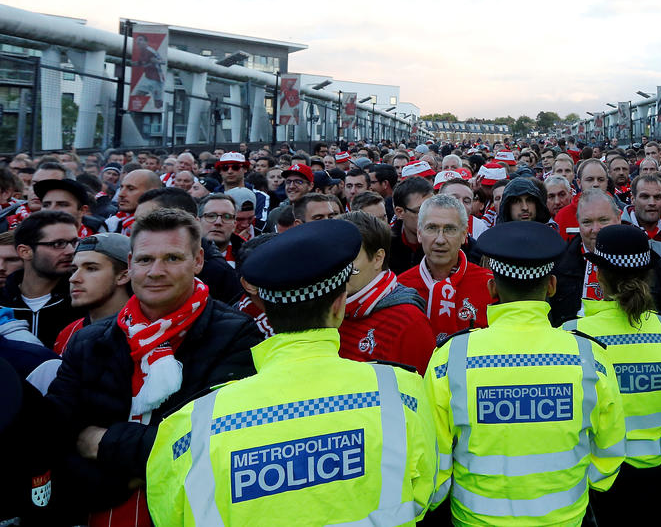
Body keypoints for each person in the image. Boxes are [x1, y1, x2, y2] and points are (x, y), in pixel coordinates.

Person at [147, 218, 436, 525]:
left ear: (266, 310)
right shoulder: (402, 393)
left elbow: (168, 514)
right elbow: (426, 491)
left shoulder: (190, 426)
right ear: (339, 306)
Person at [44, 209, 262, 525]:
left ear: (198, 261)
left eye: (172, 258)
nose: (156, 271)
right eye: (145, 260)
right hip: (96, 508)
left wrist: (104, 443)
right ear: (130, 264)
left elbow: (213, 443)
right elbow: (55, 432)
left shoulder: (237, 334)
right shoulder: (88, 341)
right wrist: (112, 480)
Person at [424, 221, 626, 525]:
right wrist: (577, 487)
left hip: (476, 520)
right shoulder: (588, 356)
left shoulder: (450, 359)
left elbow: (433, 458)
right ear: (552, 286)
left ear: (492, 288)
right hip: (565, 518)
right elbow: (610, 448)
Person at [562, 224, 661, 523]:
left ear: (598, 275)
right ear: (648, 274)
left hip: (599, 476)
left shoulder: (572, 336)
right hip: (659, 475)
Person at [338, 211, 436, 374]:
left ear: (378, 258)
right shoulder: (328, 311)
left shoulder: (409, 322)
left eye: (350, 257)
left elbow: (423, 391)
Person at [397, 195, 491, 343]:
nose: (440, 239)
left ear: (464, 234)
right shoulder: (400, 287)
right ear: (419, 233)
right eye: (432, 228)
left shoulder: (489, 285)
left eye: (450, 229)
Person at [1, 210, 77, 348]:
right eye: (58, 244)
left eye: (74, 242)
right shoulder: (2, 303)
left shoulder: (81, 302)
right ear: (25, 252)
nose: (71, 251)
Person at [53, 233, 131, 355]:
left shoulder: (145, 331)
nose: (73, 278)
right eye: (74, 270)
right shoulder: (68, 333)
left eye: (91, 268)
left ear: (123, 276)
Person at [389, 177, 433, 275]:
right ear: (399, 212)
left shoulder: (446, 243)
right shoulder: (385, 247)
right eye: (421, 211)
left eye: (433, 208)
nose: (430, 216)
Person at [621, 174, 661, 243]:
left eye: (657, 197)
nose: (652, 203)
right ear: (633, 200)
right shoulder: (618, 231)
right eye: (645, 197)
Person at [36, 178, 106, 237]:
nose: (51, 209)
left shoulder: (99, 244)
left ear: (82, 210)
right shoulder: (29, 241)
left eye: (62, 204)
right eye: (46, 205)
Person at [106, 169, 162, 236]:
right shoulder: (111, 223)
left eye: (131, 189)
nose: (121, 194)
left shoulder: (163, 227)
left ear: (152, 192)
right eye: (121, 188)